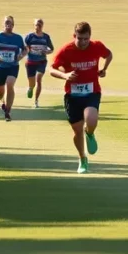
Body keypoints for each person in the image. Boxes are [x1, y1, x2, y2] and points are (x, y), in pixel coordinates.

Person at [49, 22, 112, 174]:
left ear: (90, 37)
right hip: (72, 95)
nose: (83, 42)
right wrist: (65, 75)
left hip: (92, 92)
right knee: (77, 132)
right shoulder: (66, 50)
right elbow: (51, 68)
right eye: (80, 39)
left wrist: (104, 69)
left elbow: (109, 54)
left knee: (91, 119)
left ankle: (90, 133)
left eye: (86, 39)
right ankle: (82, 158)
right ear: (74, 36)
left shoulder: (96, 46)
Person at [0, 16, 27, 122]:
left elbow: (25, 49)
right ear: (3, 24)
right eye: (6, 22)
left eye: (10, 22)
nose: (8, 24)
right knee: (0, 93)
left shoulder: (18, 38)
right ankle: (3, 101)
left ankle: (8, 112)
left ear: (13, 25)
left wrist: (21, 55)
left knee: (10, 84)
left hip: (13, 66)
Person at [23, 19, 54, 108]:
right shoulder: (29, 37)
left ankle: (36, 101)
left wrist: (46, 52)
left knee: (39, 79)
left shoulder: (46, 37)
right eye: (37, 24)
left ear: (42, 26)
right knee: (32, 83)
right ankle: (30, 88)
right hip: (31, 62)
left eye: (40, 24)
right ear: (34, 25)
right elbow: (24, 47)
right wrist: (27, 50)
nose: (38, 26)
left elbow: (51, 49)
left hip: (41, 62)